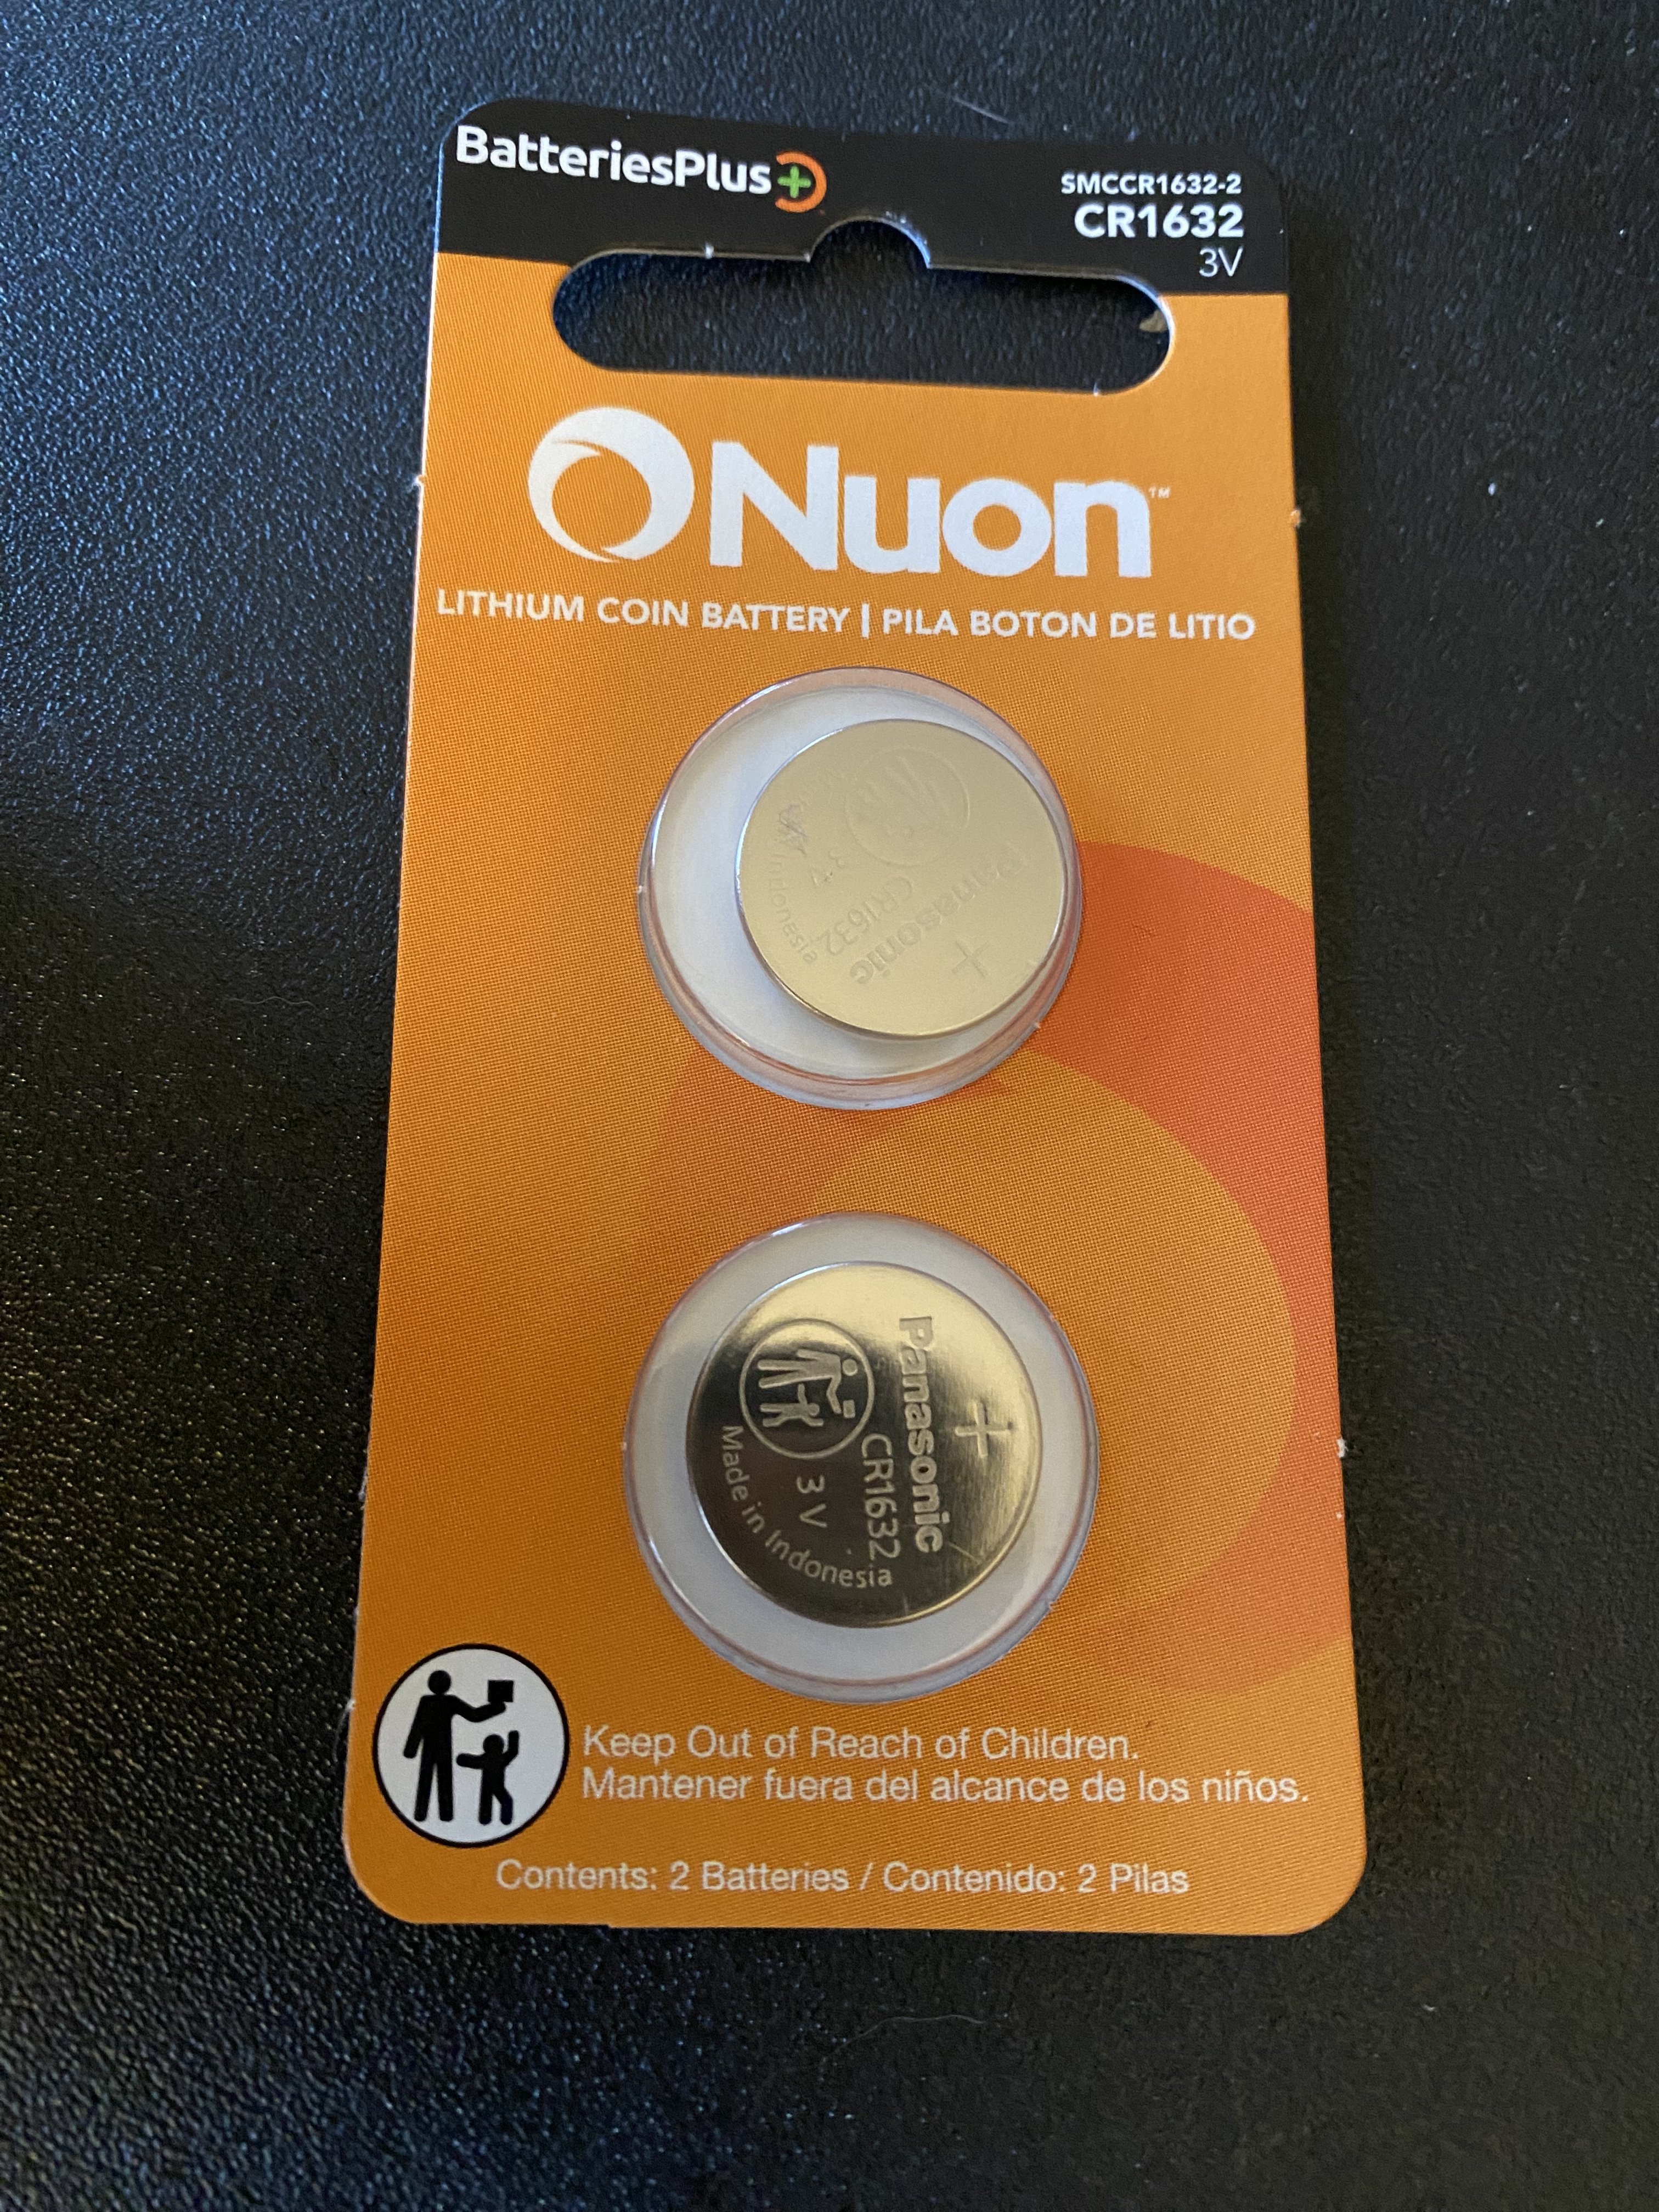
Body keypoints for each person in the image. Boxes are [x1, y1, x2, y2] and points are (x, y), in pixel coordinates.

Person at [400, 1670, 508, 1823]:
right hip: (441, 1747)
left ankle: (427, 1813)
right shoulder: (443, 1701)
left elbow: (473, 1715)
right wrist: (497, 1707)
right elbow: (474, 1715)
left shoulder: (432, 1702)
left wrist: (411, 1750)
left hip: (434, 1748)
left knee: (430, 1778)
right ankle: (437, 1814)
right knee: (438, 1778)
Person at [456, 1730, 520, 1827]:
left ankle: (490, 1818)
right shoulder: (499, 1758)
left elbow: (473, 1761)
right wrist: (513, 1738)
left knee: (493, 1801)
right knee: (504, 1800)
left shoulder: (489, 1758)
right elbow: (513, 1752)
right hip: (496, 1785)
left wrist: (462, 1759)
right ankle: (496, 1819)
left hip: (490, 1785)